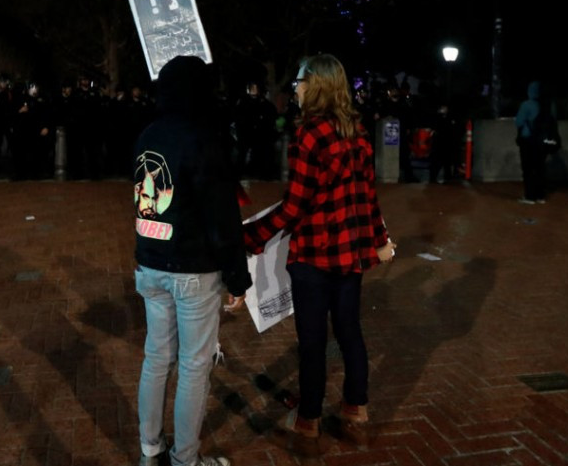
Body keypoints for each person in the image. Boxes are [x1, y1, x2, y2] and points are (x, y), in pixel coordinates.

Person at [244, 54, 395, 452]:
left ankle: (309, 418)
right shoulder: (358, 133)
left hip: (313, 255)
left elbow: (294, 207)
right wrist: (378, 240)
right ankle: (355, 406)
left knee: (312, 342)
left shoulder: (309, 135)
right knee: (349, 332)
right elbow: (368, 198)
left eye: (300, 80)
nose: (295, 87)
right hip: (349, 257)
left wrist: (251, 236)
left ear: (318, 85)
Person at [133, 56, 251, 466]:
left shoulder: (149, 134)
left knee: (156, 358)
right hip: (192, 268)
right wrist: (237, 277)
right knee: (194, 367)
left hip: (151, 262)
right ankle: (185, 459)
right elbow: (221, 218)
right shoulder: (203, 139)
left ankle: (150, 450)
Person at [514, 81, 557, 204]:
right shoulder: (550, 105)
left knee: (528, 169)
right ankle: (540, 196)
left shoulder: (527, 104)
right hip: (543, 141)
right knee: (540, 168)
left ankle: (529, 196)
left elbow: (519, 122)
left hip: (529, 141)